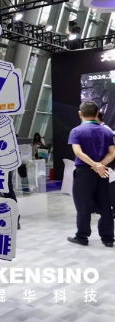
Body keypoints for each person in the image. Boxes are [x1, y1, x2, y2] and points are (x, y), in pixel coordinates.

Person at [67, 101, 115, 247]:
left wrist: (94, 165)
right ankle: (108, 238)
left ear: (80, 114)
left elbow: (78, 153)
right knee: (105, 205)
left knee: (83, 205)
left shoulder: (76, 131)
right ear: (96, 113)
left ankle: (82, 237)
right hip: (102, 173)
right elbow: (112, 153)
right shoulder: (107, 132)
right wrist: (100, 165)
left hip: (84, 173)